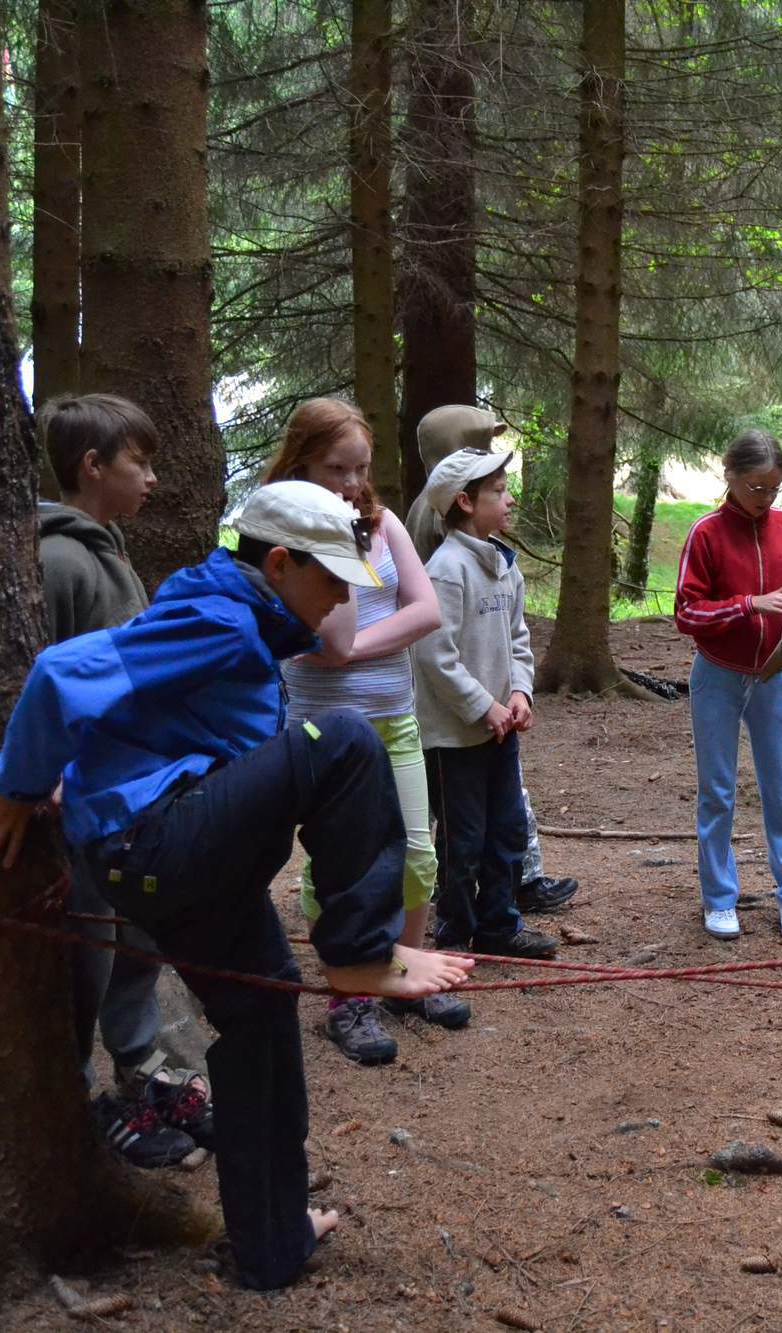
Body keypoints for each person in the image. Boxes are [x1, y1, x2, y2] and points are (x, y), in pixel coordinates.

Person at [0, 480, 473, 1291]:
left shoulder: (244, 617)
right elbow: (62, 673)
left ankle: (273, 1243)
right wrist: (18, 787)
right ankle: (359, 954)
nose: (342, 599)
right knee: (338, 738)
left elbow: (138, 705)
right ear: (278, 561)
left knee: (263, 1013)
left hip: (189, 855)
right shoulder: (220, 615)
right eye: (332, 580)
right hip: (154, 844)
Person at [264, 398, 470, 1066]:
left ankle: (405, 973)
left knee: (416, 855)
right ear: (301, 463)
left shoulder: (381, 524)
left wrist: (354, 650)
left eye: (359, 468)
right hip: (325, 729)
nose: (351, 482)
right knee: (342, 868)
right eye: (335, 468)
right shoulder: (292, 534)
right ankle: (347, 995)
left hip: (395, 718)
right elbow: (321, 643)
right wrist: (345, 645)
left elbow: (424, 610)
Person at [36, 393, 207, 1168]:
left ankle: (142, 1076)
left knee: (139, 935)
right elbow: (45, 682)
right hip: (81, 806)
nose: (153, 477)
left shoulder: (109, 548)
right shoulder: (59, 560)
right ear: (92, 466)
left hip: (131, 794)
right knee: (88, 951)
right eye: (139, 461)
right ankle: (76, 1104)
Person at [407, 403, 579, 919]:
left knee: (503, 819)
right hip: (459, 721)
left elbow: (516, 635)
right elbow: (436, 643)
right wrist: (483, 704)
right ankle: (459, 922)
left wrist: (518, 692)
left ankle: (505, 908)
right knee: (462, 829)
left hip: (498, 717)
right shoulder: (437, 537)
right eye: (479, 441)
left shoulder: (501, 559)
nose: (507, 496)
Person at [673, 429, 782, 942]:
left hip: (774, 675)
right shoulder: (707, 533)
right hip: (716, 673)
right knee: (716, 792)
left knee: (781, 792)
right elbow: (686, 612)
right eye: (756, 488)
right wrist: (748, 605)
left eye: (775, 489)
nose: (766, 499)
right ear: (731, 477)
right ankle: (719, 899)